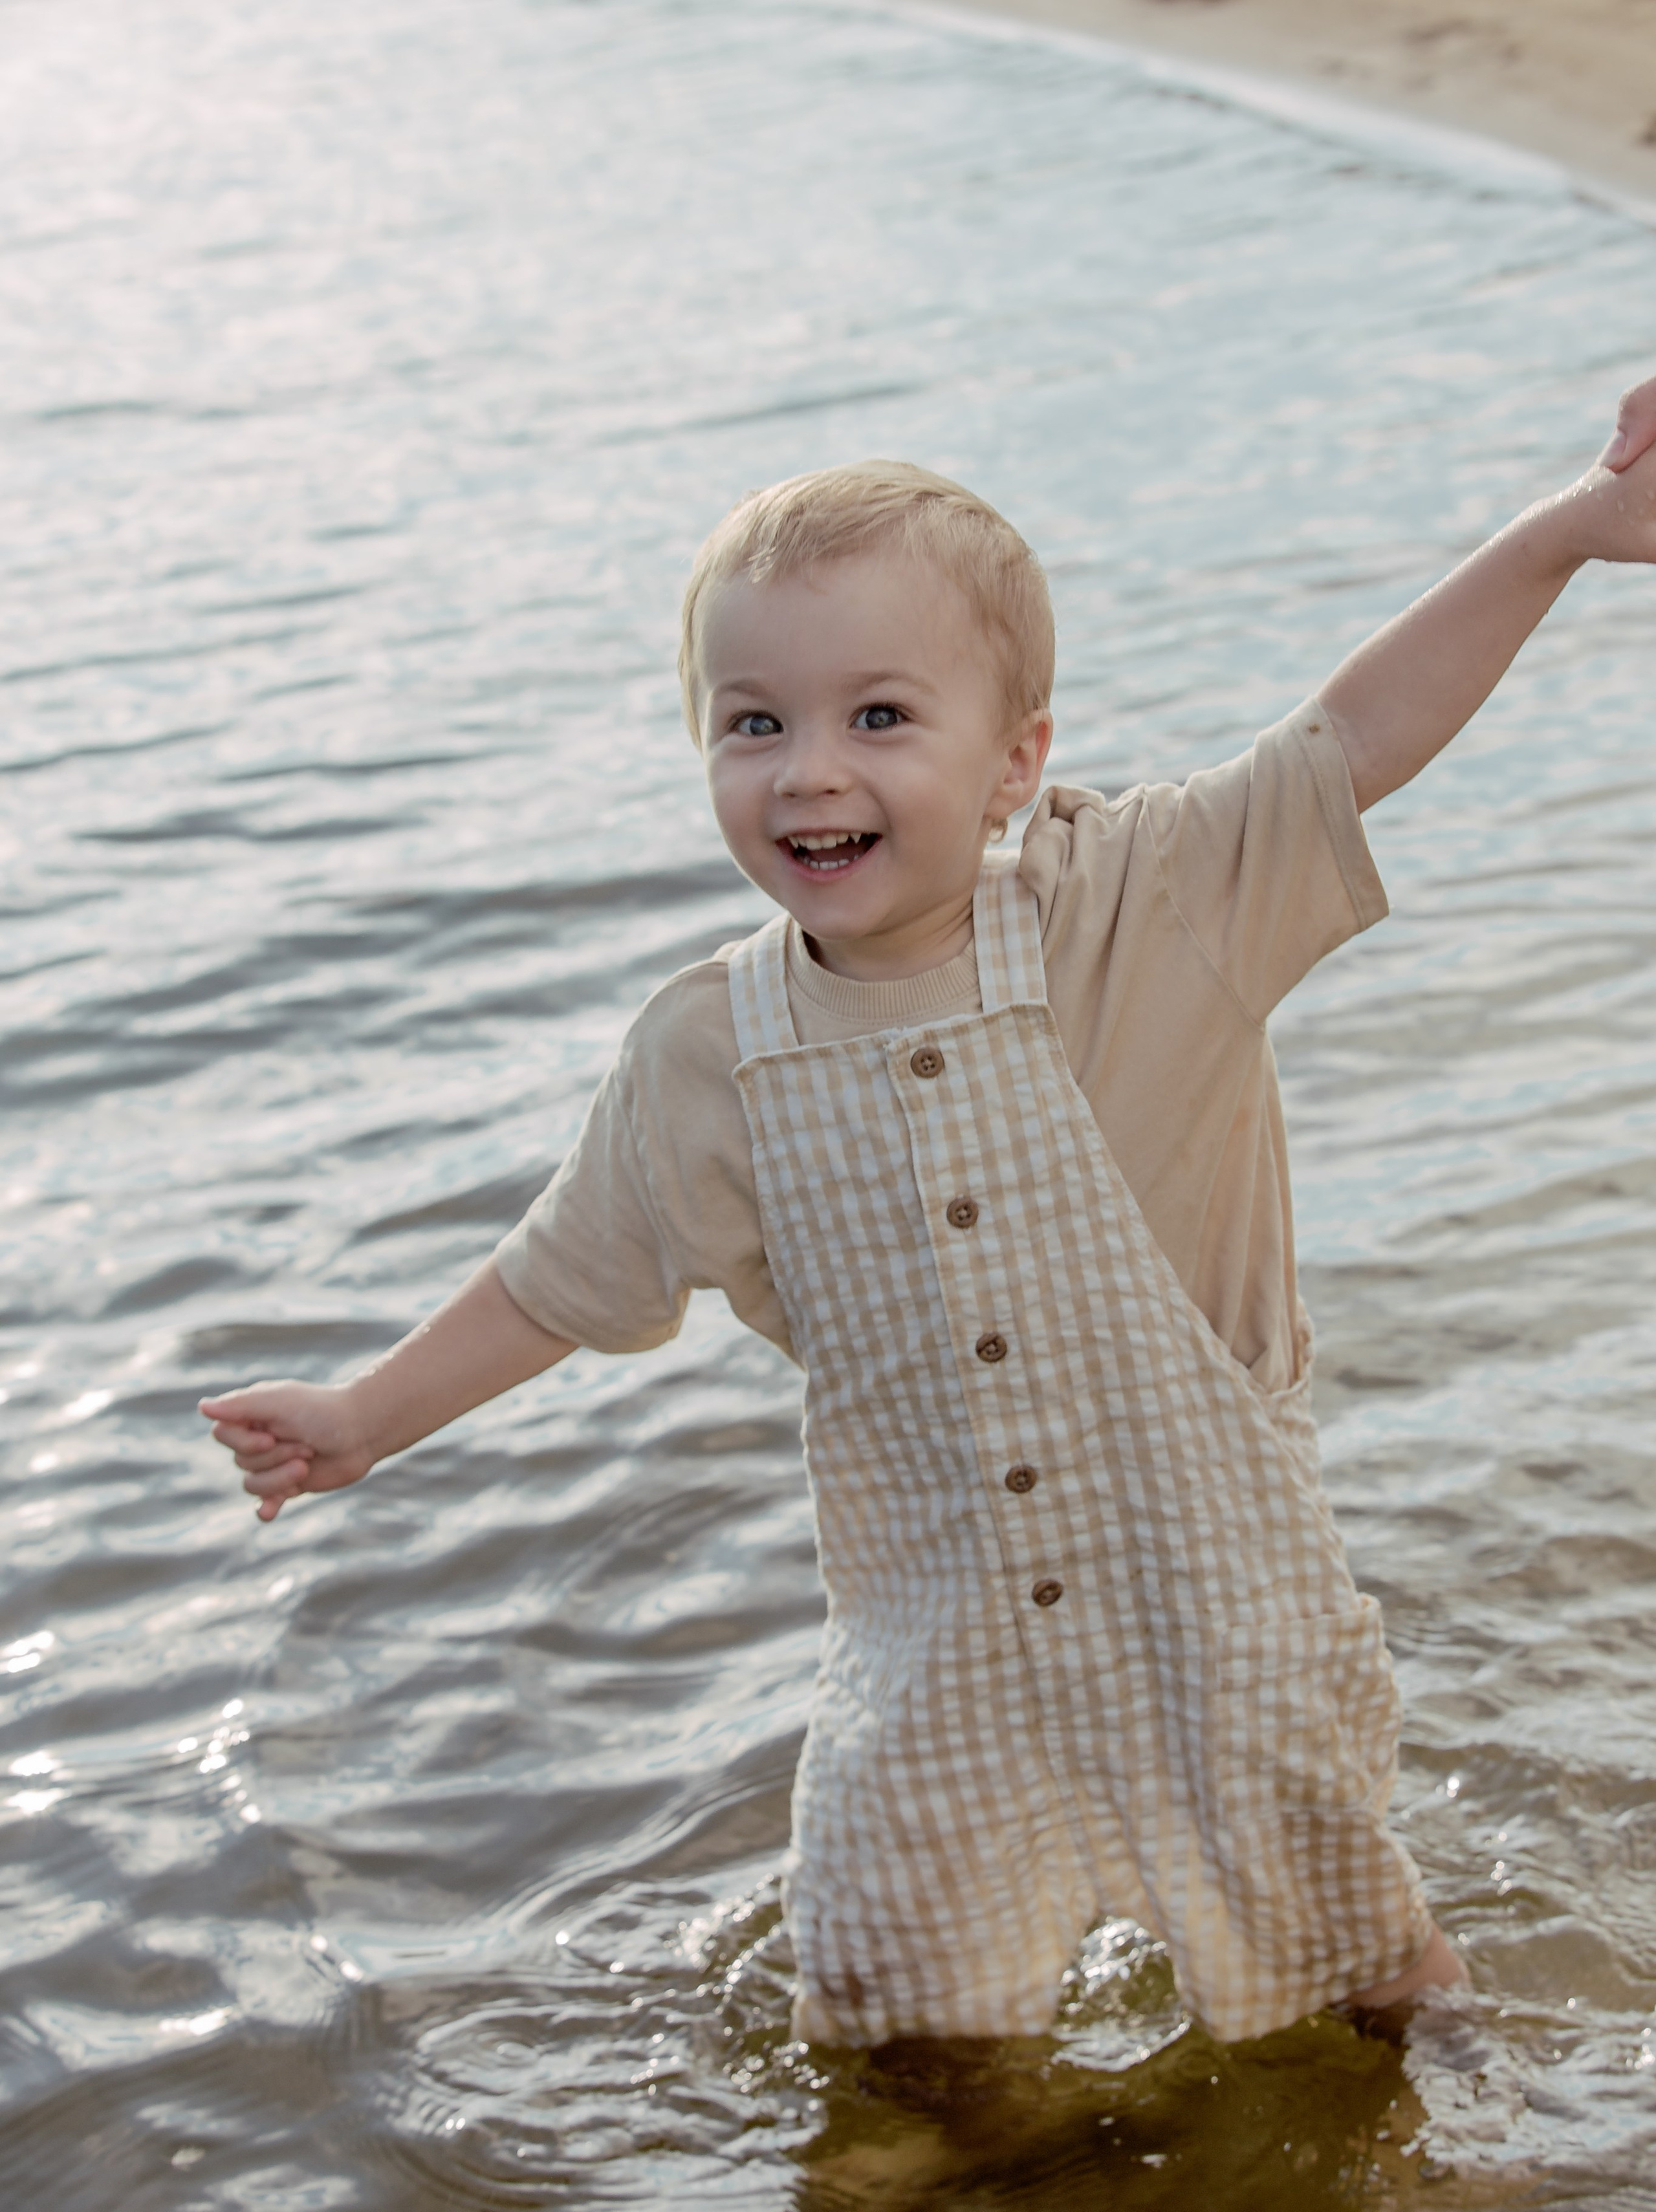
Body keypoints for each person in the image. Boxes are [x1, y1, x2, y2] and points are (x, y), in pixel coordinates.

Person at [201, 375, 1656, 2048]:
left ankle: (1469, 2150)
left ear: (1015, 758)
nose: (811, 770)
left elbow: (1354, 740)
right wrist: (366, 1417)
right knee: (898, 2031)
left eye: (880, 716)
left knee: (1357, 2000)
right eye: (755, 723)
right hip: (939, 1659)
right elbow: (566, 1270)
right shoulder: (712, 1051)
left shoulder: (1152, 905)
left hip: (1223, 1616)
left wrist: (1571, 531)